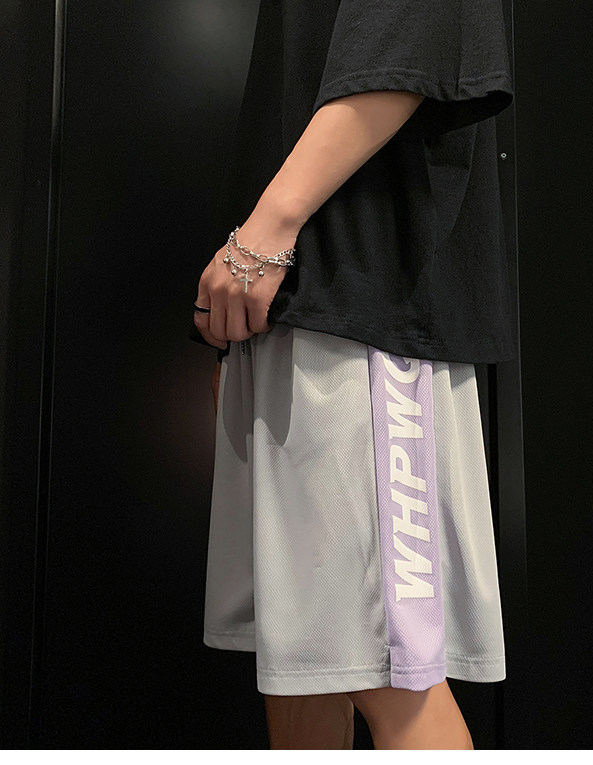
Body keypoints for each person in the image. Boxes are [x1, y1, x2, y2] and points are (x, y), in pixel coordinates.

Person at [191, 0, 515, 750]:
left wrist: (261, 239)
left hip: (364, 311)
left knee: (394, 678)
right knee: (303, 673)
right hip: (292, 307)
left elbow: (410, 48)